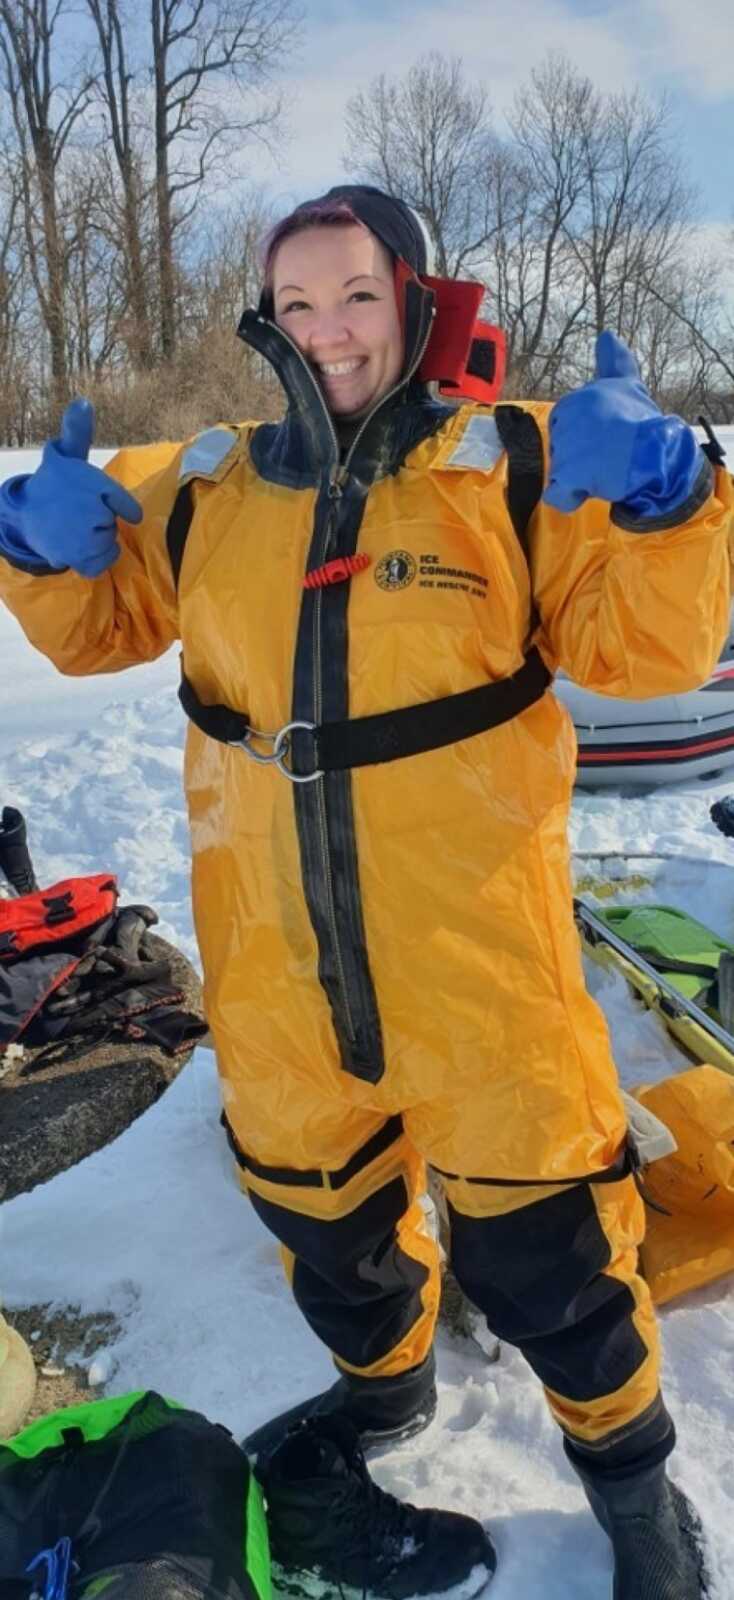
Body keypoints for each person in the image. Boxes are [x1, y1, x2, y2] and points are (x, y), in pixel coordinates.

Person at [0, 184, 730, 1599]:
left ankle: (632, 1480)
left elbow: (643, 652)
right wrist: (36, 549)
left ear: (409, 294)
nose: (326, 328)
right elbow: (97, 632)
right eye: (296, 302)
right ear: (265, 318)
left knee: (553, 1258)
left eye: (353, 295)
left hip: (477, 965)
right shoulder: (203, 480)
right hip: (273, 964)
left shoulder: (512, 465)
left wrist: (666, 502)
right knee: (327, 1225)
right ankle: (386, 1394)